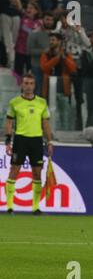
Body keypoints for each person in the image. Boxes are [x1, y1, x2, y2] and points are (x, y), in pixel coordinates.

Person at [4, 73, 54, 215]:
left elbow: (46, 124)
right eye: (26, 83)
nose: (28, 86)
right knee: (14, 171)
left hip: (36, 141)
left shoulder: (42, 103)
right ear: (22, 85)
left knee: (37, 173)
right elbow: (9, 122)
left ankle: (36, 207)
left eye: (31, 83)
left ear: (34, 85)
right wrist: (8, 142)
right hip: (20, 140)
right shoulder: (14, 102)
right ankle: (9, 206)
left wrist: (50, 141)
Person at [55, 10, 91, 130]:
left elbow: (88, 44)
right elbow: (53, 39)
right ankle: (62, 124)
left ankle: (79, 123)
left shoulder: (80, 29)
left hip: (77, 66)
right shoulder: (59, 30)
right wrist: (58, 27)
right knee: (63, 95)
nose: (65, 21)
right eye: (63, 19)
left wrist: (79, 31)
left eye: (67, 19)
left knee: (79, 97)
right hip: (62, 66)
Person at [40, 32, 77, 130]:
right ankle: (48, 134)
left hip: (63, 90)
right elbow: (44, 68)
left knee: (64, 115)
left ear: (59, 42)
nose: (51, 42)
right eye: (50, 40)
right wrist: (57, 58)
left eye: (53, 40)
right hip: (48, 90)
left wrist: (63, 58)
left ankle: (65, 135)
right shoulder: (45, 54)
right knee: (48, 115)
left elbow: (73, 68)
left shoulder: (66, 54)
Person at [26, 10, 55, 96]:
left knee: (50, 92)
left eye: (51, 20)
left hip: (51, 67)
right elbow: (29, 50)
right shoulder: (34, 33)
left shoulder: (55, 34)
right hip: (37, 66)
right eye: (47, 19)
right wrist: (43, 51)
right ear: (42, 20)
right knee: (37, 91)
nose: (49, 22)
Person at [14, 1, 42, 78]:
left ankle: (29, 89)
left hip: (31, 53)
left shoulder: (39, 23)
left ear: (36, 11)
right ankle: (18, 88)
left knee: (30, 74)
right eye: (27, 8)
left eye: (31, 8)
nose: (28, 9)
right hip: (20, 50)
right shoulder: (22, 18)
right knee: (17, 73)